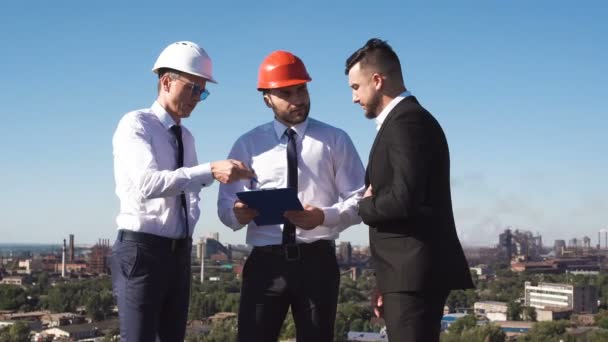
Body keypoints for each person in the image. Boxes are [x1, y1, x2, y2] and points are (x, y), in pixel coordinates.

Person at [111, 41, 254, 342]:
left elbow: (188, 185)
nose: (198, 98)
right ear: (166, 82)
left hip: (178, 254)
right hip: (142, 251)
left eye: (203, 91)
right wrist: (209, 171)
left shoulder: (185, 136)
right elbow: (148, 184)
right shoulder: (135, 125)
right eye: (193, 88)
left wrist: (214, 179)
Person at [218, 50, 365, 342]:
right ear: (267, 99)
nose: (298, 99)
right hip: (264, 264)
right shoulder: (247, 144)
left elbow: (360, 200)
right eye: (286, 93)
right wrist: (237, 212)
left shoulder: (335, 140)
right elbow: (224, 206)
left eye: (302, 89)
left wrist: (324, 216)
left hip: (317, 263)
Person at [345, 38, 475, 341]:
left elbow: (405, 199)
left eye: (355, 87)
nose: (353, 98)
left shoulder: (407, 123)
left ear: (377, 81)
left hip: (414, 277)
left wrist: (364, 207)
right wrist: (386, 281)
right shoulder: (403, 122)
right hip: (404, 276)